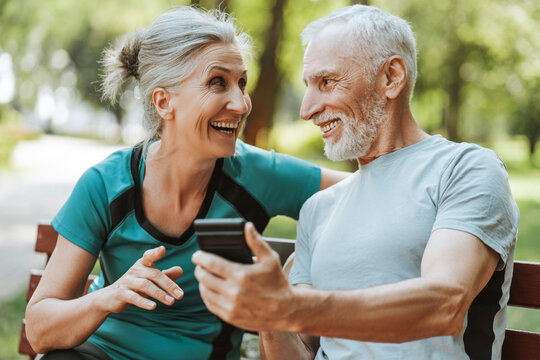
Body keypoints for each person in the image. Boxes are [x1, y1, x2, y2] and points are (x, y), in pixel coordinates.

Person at [192, 4, 519, 360]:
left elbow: (444, 304)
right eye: (307, 87)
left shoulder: (465, 169)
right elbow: (299, 349)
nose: (307, 109)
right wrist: (268, 315)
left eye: (326, 82)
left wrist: (292, 307)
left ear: (391, 77)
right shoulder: (320, 208)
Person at [25, 7, 347, 360]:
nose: (241, 104)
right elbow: (39, 331)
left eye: (241, 83)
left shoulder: (257, 174)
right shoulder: (106, 185)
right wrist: (110, 295)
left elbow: (368, 191)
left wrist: (301, 265)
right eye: (217, 82)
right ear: (164, 102)